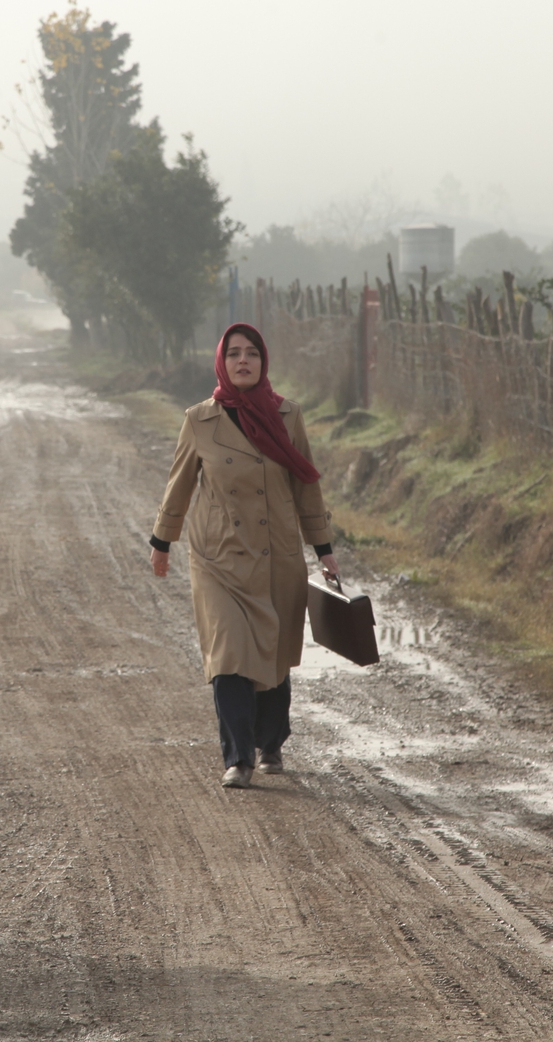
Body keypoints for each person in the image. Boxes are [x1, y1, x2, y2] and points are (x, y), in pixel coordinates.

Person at [149, 322, 337, 789]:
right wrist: (161, 541)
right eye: (233, 353)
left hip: (277, 556)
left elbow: (306, 485)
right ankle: (238, 757)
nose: (243, 360)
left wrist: (325, 551)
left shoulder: (288, 417)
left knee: (272, 654)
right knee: (229, 654)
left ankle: (270, 742)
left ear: (263, 361)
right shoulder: (199, 420)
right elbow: (179, 487)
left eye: (252, 352)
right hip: (219, 559)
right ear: (222, 361)